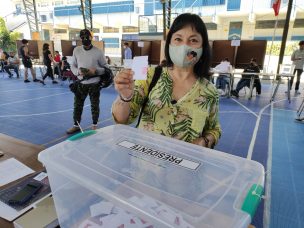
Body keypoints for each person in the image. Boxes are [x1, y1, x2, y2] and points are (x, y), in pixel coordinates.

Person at [112, 13, 221, 148]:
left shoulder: (210, 91)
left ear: (203, 47)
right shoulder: (150, 76)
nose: (184, 46)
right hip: (144, 164)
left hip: (184, 165)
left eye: (193, 40)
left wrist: (204, 140)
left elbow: (214, 129)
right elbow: (122, 120)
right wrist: (125, 97)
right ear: (169, 44)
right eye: (178, 39)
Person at [66, 29, 107, 134]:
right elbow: (72, 65)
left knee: (94, 105)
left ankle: (94, 125)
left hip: (94, 84)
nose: (85, 39)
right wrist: (77, 72)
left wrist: (96, 71)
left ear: (91, 38)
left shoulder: (98, 52)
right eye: (83, 37)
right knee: (77, 105)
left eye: (87, 37)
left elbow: (106, 68)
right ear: (80, 38)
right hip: (81, 83)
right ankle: (76, 125)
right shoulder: (76, 50)